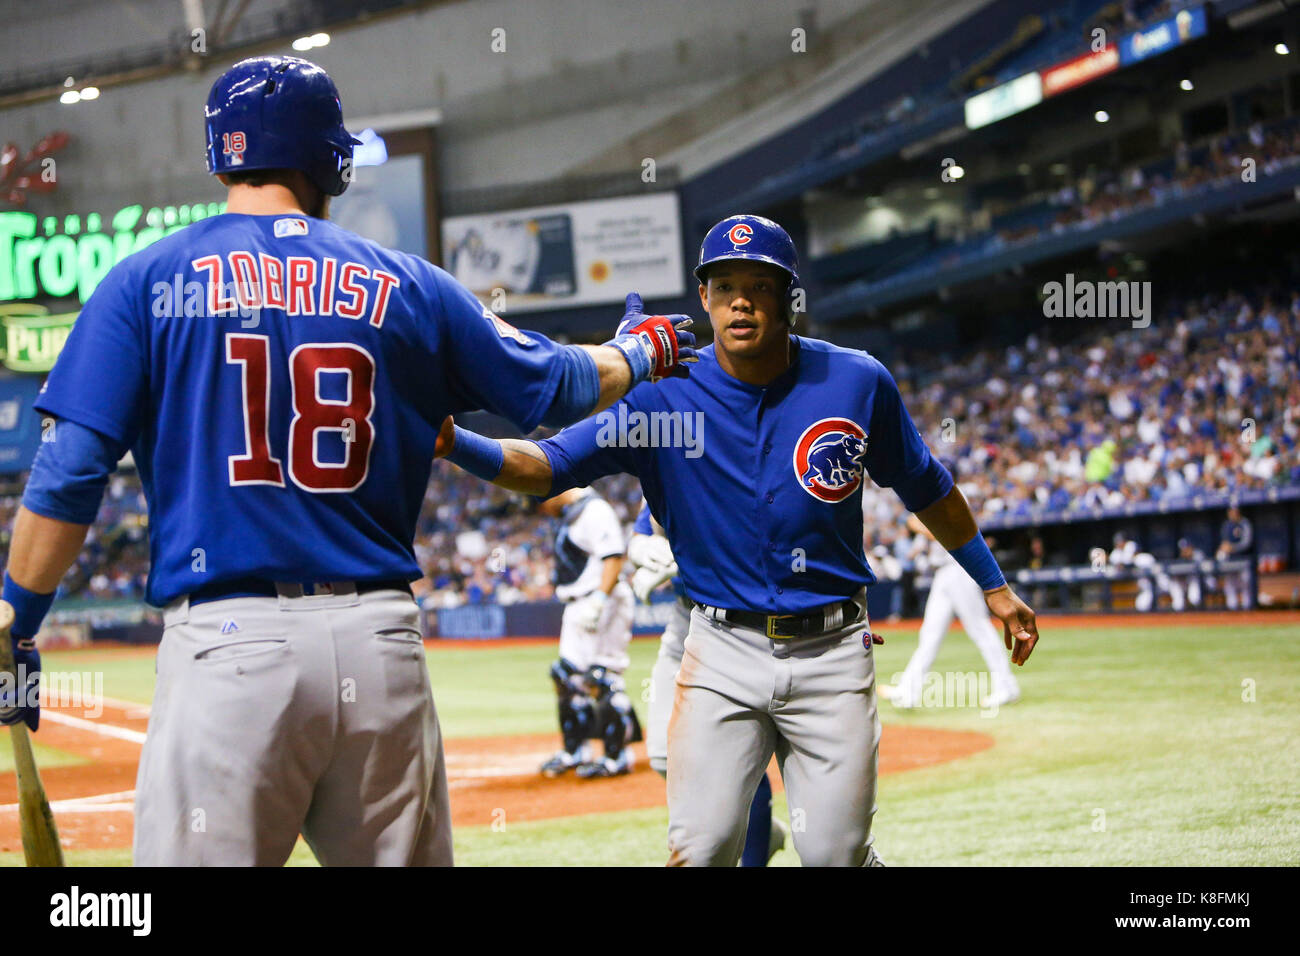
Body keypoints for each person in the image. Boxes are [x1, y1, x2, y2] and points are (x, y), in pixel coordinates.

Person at [0, 55, 693, 866]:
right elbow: (558, 386)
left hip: (228, 646)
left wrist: (19, 620)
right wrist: (642, 350)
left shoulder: (146, 280)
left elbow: (72, 471)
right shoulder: (408, 282)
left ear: (222, 151)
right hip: (380, 642)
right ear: (328, 158)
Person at [435, 214, 1040, 866]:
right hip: (720, 650)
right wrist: (452, 442)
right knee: (701, 851)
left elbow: (928, 486)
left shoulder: (856, 381)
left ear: (788, 297)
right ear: (705, 297)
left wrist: (994, 584)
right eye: (725, 286)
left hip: (833, 652)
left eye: (760, 285)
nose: (741, 301)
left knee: (836, 855)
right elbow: (546, 466)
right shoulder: (660, 396)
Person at [627, 502, 786, 865]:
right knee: (663, 753)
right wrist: (648, 551)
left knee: (743, 757)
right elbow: (642, 533)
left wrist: (681, 561)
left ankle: (753, 849)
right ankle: (756, 826)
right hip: (687, 617)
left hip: (741, 622)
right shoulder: (669, 456)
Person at [536, 486, 641, 779]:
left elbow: (613, 558)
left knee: (602, 678)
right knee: (565, 676)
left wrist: (599, 600)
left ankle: (616, 756)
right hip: (576, 602)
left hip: (601, 600)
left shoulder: (595, 510)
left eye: (539, 502)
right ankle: (575, 751)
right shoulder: (573, 515)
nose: (541, 509)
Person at [879, 515, 1020, 710]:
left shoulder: (953, 493)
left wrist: (918, 526)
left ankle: (1006, 686)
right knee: (930, 634)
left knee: (979, 629)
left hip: (959, 569)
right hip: (942, 573)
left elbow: (949, 535)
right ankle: (908, 691)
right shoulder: (928, 500)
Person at [1217, 505, 1255, 610]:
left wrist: (1233, 548)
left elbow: (1247, 543)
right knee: (1229, 584)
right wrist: (1223, 549)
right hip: (1230, 560)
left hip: (1244, 558)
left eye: (1235, 511)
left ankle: (1248, 608)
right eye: (1231, 511)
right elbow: (1224, 542)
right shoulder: (1226, 525)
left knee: (1245, 584)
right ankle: (1232, 608)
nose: (1232, 514)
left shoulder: (1244, 524)